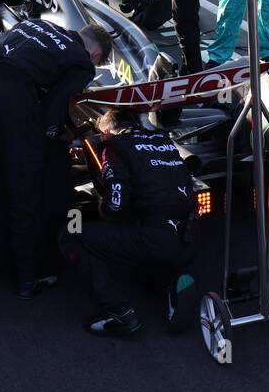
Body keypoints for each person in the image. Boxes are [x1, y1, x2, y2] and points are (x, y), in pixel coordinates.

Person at [0, 20, 113, 298]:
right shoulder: (82, 62)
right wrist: (54, 140)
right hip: (11, 95)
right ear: (95, 55)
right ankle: (27, 278)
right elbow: (55, 106)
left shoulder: (35, 23)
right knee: (25, 190)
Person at [58, 109, 199, 337]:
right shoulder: (164, 141)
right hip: (188, 236)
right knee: (146, 260)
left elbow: (115, 204)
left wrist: (100, 203)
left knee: (71, 235)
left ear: (106, 132)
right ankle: (170, 281)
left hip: (153, 239)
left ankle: (119, 312)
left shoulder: (114, 147)